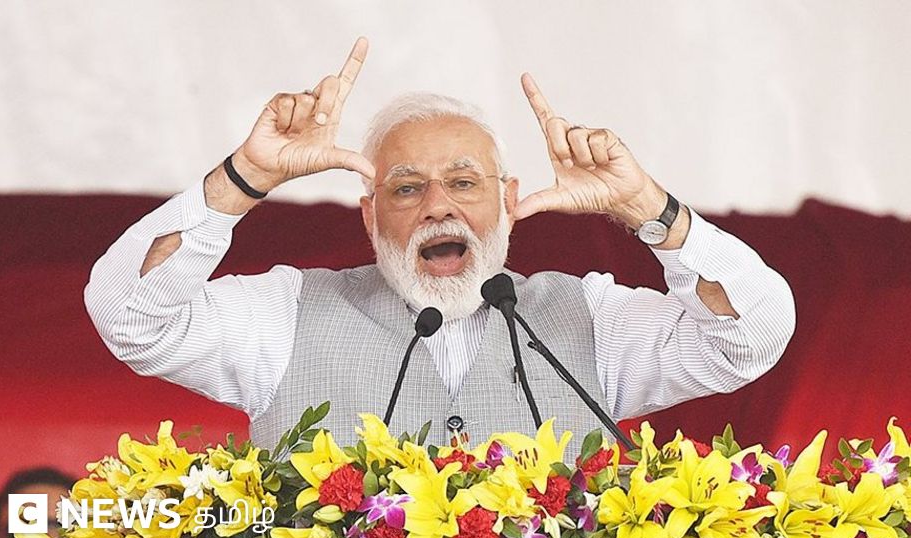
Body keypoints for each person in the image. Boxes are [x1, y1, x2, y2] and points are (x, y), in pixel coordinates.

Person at [84, 38, 795, 453]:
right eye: (406, 188)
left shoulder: (592, 318)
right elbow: (130, 318)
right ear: (370, 218)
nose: (438, 206)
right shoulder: (286, 314)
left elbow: (751, 337)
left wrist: (648, 210)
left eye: (463, 182)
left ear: (509, 203)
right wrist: (245, 178)